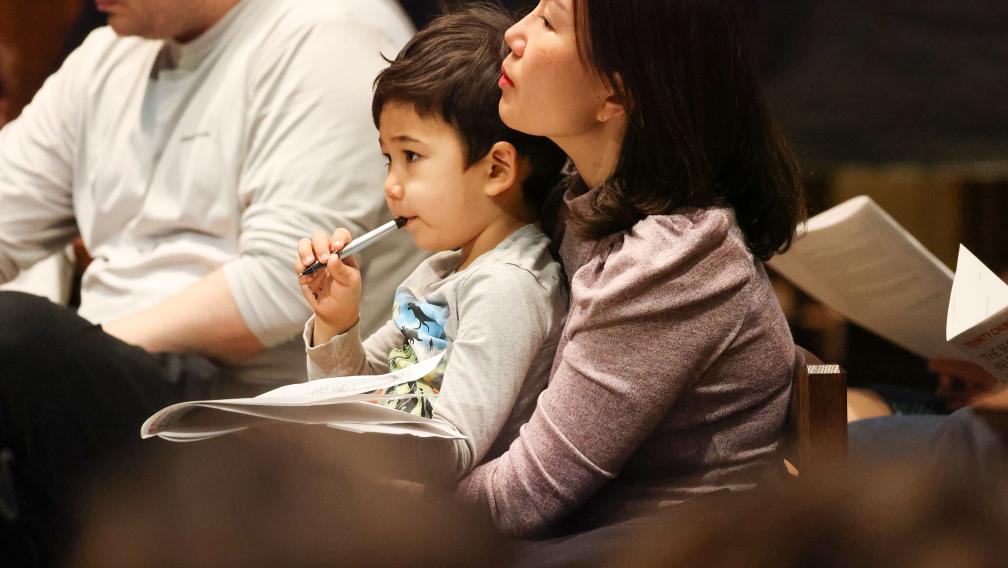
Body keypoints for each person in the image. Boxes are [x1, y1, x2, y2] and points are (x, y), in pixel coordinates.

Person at [0, 0, 424, 564]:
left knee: (16, 334)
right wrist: (71, 359)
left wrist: (77, 349)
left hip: (250, 423)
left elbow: (282, 288)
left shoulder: (332, 32)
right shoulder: (108, 52)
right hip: (113, 378)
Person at [453, 0, 806, 537]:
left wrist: (381, 506)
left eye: (548, 22)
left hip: (669, 546)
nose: (515, 34)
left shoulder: (675, 259)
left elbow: (526, 496)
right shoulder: (579, 193)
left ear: (615, 94)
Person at [296, 4, 569, 480]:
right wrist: (336, 322)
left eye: (412, 156)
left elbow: (448, 449)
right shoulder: (444, 269)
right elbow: (349, 400)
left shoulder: (508, 288)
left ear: (496, 169)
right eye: (389, 160)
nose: (392, 185)